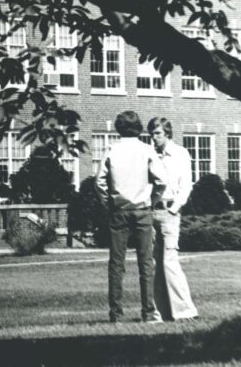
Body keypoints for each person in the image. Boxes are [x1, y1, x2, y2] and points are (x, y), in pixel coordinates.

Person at [95, 111, 167, 323]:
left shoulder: (111, 150)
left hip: (119, 211)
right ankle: (148, 312)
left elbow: (99, 182)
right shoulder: (147, 150)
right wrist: (152, 201)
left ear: (118, 128)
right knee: (146, 263)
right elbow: (161, 181)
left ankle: (116, 314)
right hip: (143, 210)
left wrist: (109, 203)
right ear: (139, 128)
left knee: (117, 264)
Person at [148, 117, 199, 321]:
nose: (154, 137)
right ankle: (160, 313)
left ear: (167, 133)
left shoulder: (180, 154)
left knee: (170, 261)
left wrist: (174, 209)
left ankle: (185, 311)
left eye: (157, 133)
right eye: (152, 134)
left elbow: (186, 185)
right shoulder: (150, 154)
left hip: (170, 212)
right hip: (151, 212)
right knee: (153, 263)